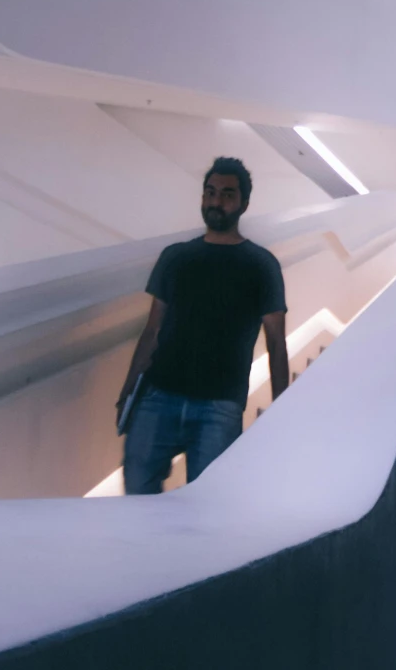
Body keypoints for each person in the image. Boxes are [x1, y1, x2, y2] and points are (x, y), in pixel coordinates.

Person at [116, 157, 288, 495]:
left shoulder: (261, 265)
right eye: (210, 192)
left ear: (243, 204)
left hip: (219, 405)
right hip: (157, 395)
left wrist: (282, 410)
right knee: (136, 495)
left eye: (226, 194)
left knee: (208, 505)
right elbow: (152, 330)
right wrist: (128, 391)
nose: (216, 201)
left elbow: (276, 344)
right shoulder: (175, 257)